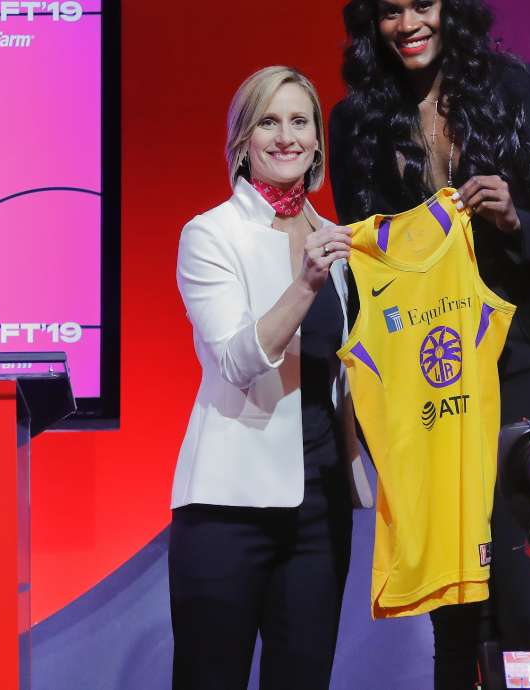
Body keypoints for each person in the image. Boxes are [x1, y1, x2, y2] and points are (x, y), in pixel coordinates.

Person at [329, 1, 530, 686]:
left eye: (421, 4)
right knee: (457, 612)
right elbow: (370, 277)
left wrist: (520, 220)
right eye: (390, 11)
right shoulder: (356, 123)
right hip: (435, 382)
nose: (407, 24)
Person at [169, 66, 371, 690]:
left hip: (321, 506)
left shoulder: (337, 240)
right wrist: (305, 284)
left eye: (299, 121)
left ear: (317, 141)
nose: (286, 137)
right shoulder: (210, 235)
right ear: (243, 140)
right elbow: (235, 359)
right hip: (229, 507)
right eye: (268, 121)